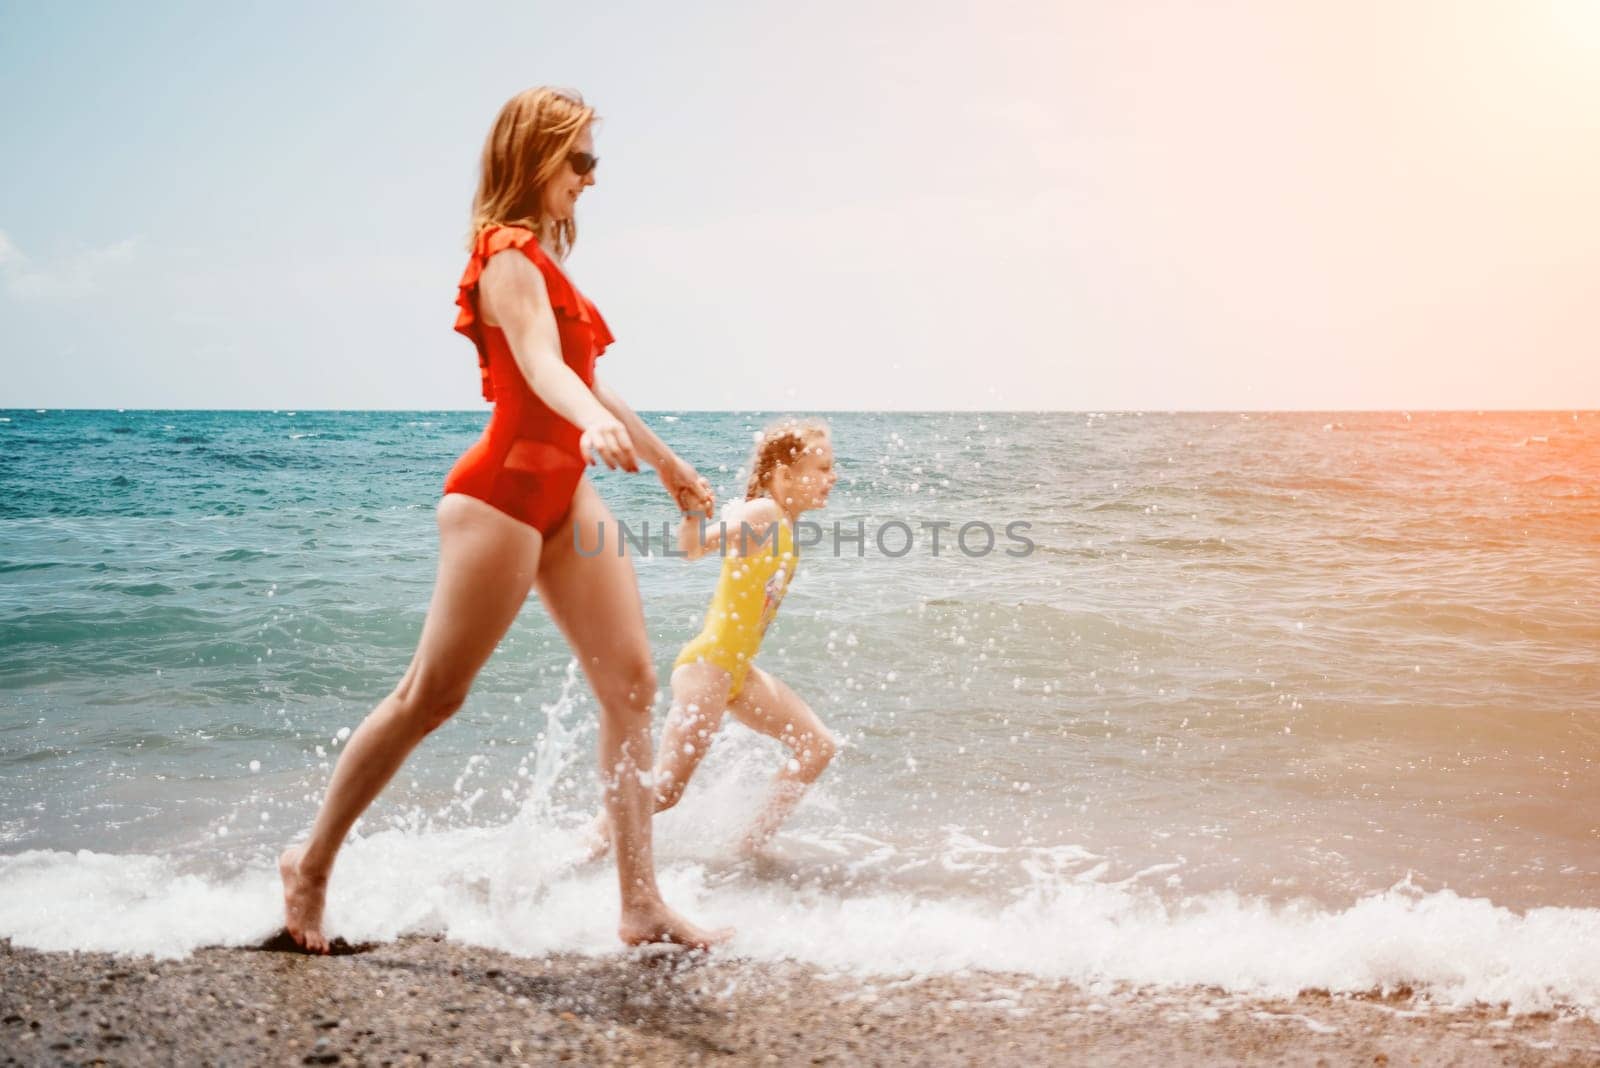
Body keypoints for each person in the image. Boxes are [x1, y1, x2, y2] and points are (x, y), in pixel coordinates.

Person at [279, 86, 726, 953]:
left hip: (564, 498)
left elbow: (590, 383)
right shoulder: (506, 255)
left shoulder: (552, 268)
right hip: (499, 498)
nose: (591, 180)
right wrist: (588, 421)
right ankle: (312, 863)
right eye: (581, 160)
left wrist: (669, 466)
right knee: (432, 697)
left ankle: (640, 905)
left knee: (631, 686)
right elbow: (538, 364)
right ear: (537, 154)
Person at [593, 419, 839, 857]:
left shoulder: (781, 522)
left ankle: (747, 851)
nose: (831, 478)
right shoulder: (763, 515)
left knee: (817, 746)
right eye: (821, 469)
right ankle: (589, 842)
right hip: (709, 667)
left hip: (735, 672)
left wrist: (693, 511)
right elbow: (692, 548)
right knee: (666, 791)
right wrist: (690, 509)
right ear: (784, 475)